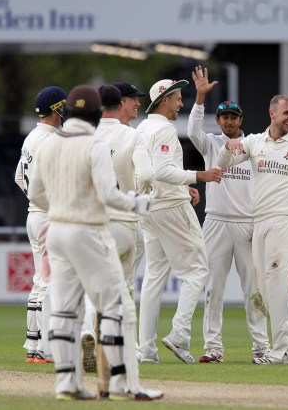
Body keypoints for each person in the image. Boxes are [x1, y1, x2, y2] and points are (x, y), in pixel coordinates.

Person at [28, 84, 162, 401]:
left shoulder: (48, 144)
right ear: (96, 114)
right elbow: (108, 195)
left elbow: (34, 193)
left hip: (57, 232)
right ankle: (122, 384)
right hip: (87, 231)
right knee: (117, 307)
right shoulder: (94, 145)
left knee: (65, 310)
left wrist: (61, 207)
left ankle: (67, 383)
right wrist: (137, 203)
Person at [217, 94, 288, 365]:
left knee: (276, 281)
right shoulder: (254, 142)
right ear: (272, 114)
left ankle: (282, 351)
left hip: (286, 220)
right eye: (286, 113)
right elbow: (224, 163)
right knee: (266, 290)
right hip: (260, 220)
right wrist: (228, 146)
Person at [136, 78, 223, 364]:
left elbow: (151, 172)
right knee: (197, 270)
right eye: (177, 99)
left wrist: (183, 186)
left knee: (153, 277)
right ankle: (180, 335)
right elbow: (162, 171)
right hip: (170, 207)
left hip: (149, 207)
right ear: (164, 100)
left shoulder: (142, 128)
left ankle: (146, 350)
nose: (180, 104)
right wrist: (198, 176)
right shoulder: (164, 129)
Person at [187, 66, 269, 363]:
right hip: (216, 222)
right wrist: (200, 97)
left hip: (246, 223)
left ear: (241, 120)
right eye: (224, 117)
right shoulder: (211, 143)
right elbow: (191, 131)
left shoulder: (254, 146)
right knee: (214, 288)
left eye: (234, 117)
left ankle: (261, 347)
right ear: (218, 120)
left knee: (253, 289)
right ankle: (213, 348)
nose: (229, 121)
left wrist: (259, 223)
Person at [15, 85, 67, 364]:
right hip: (48, 217)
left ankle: (33, 345)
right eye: (64, 106)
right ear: (56, 109)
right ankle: (43, 347)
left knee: (40, 280)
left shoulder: (32, 137)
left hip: (34, 214)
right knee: (50, 281)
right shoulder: (50, 140)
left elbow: (19, 178)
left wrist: (35, 200)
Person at [112, 82, 149, 296]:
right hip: (124, 218)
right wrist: (137, 201)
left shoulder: (93, 132)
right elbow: (145, 176)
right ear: (120, 103)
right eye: (133, 99)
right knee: (123, 284)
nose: (138, 103)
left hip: (95, 218)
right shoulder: (132, 136)